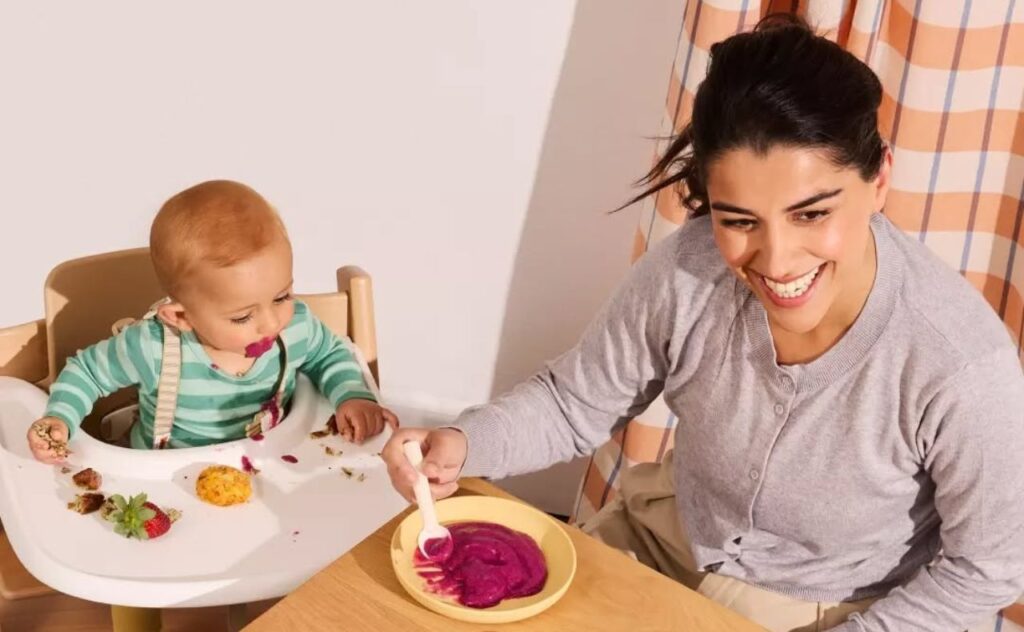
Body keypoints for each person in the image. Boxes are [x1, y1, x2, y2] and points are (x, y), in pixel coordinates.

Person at [382, 15, 1024, 632]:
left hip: (826, 611)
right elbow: (573, 402)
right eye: (739, 220)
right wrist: (463, 443)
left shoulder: (961, 365)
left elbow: (988, 568)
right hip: (659, 538)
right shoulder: (689, 269)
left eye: (810, 214)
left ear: (879, 178)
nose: (775, 261)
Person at [28, 179, 396, 460]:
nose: (271, 323)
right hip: (165, 481)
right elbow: (87, 373)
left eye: (282, 296)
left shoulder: (296, 326)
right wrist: (60, 418)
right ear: (181, 316)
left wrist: (352, 396)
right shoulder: (154, 346)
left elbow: (329, 354)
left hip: (269, 466)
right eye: (242, 316)